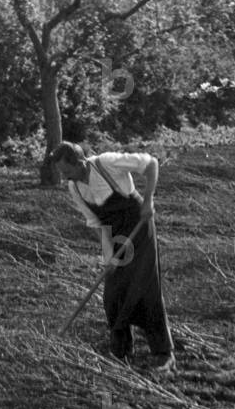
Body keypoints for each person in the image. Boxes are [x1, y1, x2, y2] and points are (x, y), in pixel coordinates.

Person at [51, 141, 175, 372]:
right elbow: (99, 225)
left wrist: (148, 201)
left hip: (139, 224)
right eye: (62, 173)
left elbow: (151, 164)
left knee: (146, 288)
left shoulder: (107, 163)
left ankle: (163, 354)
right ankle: (120, 352)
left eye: (67, 171)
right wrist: (108, 258)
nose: (66, 177)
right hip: (115, 234)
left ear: (81, 163)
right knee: (113, 293)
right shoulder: (74, 187)